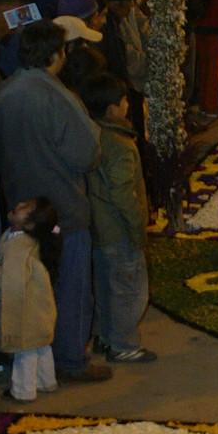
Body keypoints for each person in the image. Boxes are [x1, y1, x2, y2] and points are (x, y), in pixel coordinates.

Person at [0, 18, 109, 384]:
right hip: (63, 208)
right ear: (57, 54)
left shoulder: (3, 95)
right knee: (70, 286)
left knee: (27, 288)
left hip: (21, 210)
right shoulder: (57, 96)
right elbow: (86, 153)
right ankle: (70, 358)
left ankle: (28, 361)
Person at [81, 71, 155, 364]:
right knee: (130, 290)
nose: (127, 105)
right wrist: (138, 228)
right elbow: (124, 194)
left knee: (105, 286)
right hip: (118, 229)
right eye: (124, 101)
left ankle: (104, 336)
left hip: (99, 227)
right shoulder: (121, 145)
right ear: (113, 108)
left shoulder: (92, 134)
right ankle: (124, 344)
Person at [0, 197, 60, 402]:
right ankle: (46, 381)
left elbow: (8, 279)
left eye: (25, 207)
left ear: (30, 224)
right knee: (41, 345)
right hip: (37, 307)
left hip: (24, 308)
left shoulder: (18, 246)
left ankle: (23, 391)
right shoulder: (21, 239)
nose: (18, 205)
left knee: (24, 351)